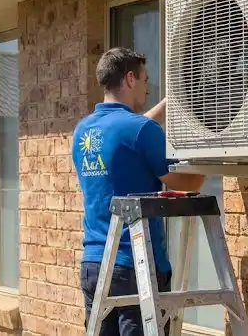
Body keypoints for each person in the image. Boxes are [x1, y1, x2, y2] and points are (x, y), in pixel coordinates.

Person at [73, 47, 206, 336]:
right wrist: (211, 145)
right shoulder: (140, 130)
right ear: (130, 78)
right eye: (145, 80)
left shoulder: (83, 131)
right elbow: (189, 183)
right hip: (137, 266)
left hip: (95, 264)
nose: (148, 88)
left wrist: (170, 104)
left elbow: (131, 134)